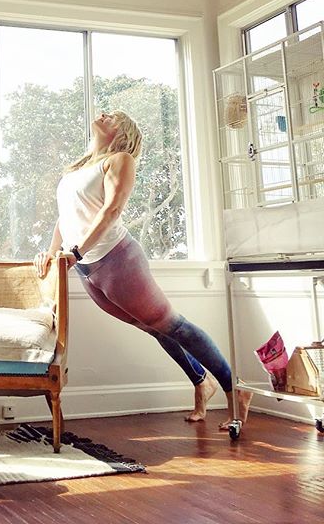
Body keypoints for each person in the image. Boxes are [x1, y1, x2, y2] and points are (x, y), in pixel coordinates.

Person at [33, 110, 251, 429]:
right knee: (154, 327)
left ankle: (235, 389)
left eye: (114, 116)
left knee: (172, 325)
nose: (104, 113)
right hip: (86, 266)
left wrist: (76, 252)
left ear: (122, 132)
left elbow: (112, 210)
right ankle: (202, 382)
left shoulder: (120, 159)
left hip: (117, 260)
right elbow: (65, 218)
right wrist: (52, 255)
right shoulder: (78, 167)